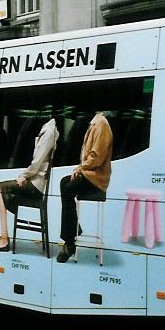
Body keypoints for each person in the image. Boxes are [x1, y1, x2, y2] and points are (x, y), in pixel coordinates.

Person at [0, 118, 58, 252]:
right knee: (5, 188)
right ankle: (5, 234)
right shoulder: (48, 130)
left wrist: (24, 176)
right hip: (35, 181)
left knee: (1, 187)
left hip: (35, 185)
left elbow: (36, 163)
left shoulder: (48, 133)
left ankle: (4, 239)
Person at [57, 112, 113, 263]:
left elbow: (97, 155)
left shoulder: (101, 124)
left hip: (97, 179)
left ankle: (69, 242)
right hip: (90, 174)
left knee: (68, 188)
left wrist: (80, 168)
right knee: (64, 182)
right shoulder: (95, 123)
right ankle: (74, 228)